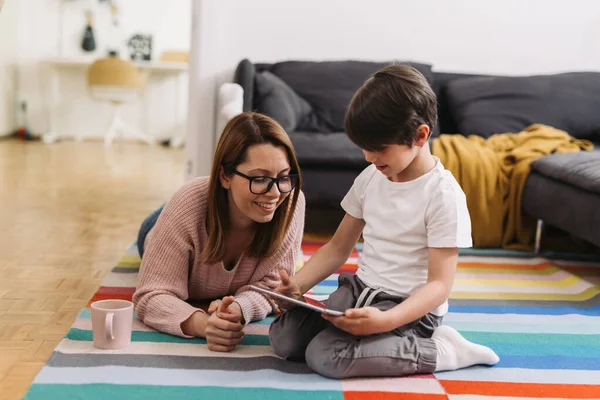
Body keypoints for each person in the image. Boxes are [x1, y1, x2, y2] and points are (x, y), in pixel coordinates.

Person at [268, 64, 499, 379]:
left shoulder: (443, 195)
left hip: (409, 310)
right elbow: (337, 247)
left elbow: (439, 286)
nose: (368, 157)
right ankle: (372, 339)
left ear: (420, 136)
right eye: (364, 147)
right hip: (360, 290)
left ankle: (441, 350)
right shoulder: (370, 178)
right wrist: (298, 284)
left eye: (378, 149)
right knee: (283, 338)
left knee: (327, 356)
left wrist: (387, 321)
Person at [133, 112, 305, 353]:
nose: (275, 192)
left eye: (283, 177)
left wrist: (237, 310)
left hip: (219, 205)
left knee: (290, 265)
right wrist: (204, 325)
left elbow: (272, 287)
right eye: (259, 178)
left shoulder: (290, 202)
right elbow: (150, 295)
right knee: (169, 221)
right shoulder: (187, 207)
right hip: (163, 225)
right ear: (225, 176)